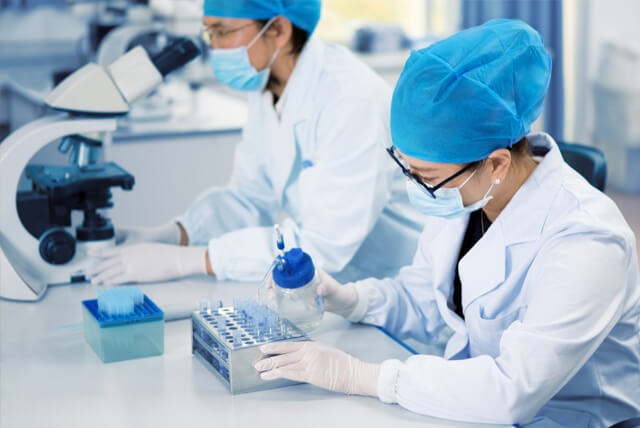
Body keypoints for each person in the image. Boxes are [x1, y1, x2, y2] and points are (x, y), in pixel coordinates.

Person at [254, 20, 640, 427]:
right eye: (408, 168)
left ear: (495, 164)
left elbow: (513, 390)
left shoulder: (587, 238)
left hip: (568, 419)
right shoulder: (467, 195)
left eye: (427, 177)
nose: (416, 187)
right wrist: (346, 298)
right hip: (474, 407)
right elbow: (424, 301)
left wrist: (361, 376)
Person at [87, 0, 425, 285]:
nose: (213, 47)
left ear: (278, 29)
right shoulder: (268, 86)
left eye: (223, 32)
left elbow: (322, 245)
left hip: (394, 288)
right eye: (209, 32)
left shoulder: (350, 99)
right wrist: (175, 233)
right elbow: (249, 198)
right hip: (335, 285)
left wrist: (186, 261)